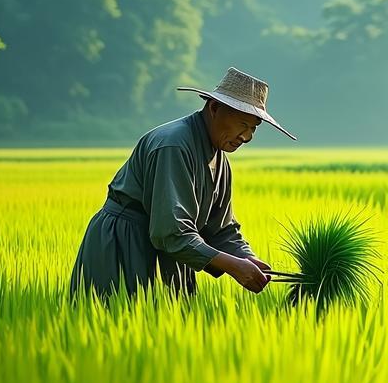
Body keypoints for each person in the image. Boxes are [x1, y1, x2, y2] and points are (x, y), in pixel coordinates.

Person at [70, 67, 296, 298]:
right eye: (242, 125)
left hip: (171, 252)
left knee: (168, 326)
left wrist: (246, 257)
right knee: (118, 322)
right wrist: (233, 266)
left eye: (253, 128)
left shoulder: (219, 159)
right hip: (125, 246)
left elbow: (221, 229)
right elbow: (171, 233)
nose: (247, 137)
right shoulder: (174, 146)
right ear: (214, 108)